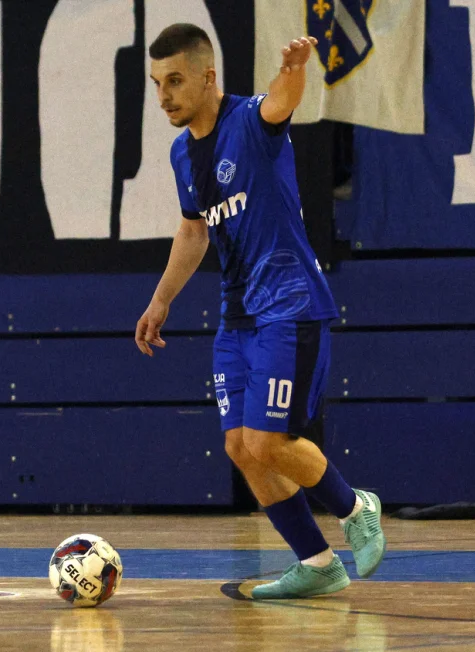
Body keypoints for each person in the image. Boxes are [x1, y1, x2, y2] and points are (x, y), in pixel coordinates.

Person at [135, 24, 385, 600]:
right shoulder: (181, 154)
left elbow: (282, 100)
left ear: (208, 76)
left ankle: (356, 508)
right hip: (237, 320)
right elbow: (193, 231)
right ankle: (317, 563)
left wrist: (295, 68)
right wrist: (161, 299)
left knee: (270, 441)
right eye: (157, 84)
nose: (166, 95)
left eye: (175, 80)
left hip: (289, 305)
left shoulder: (251, 121)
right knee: (240, 447)